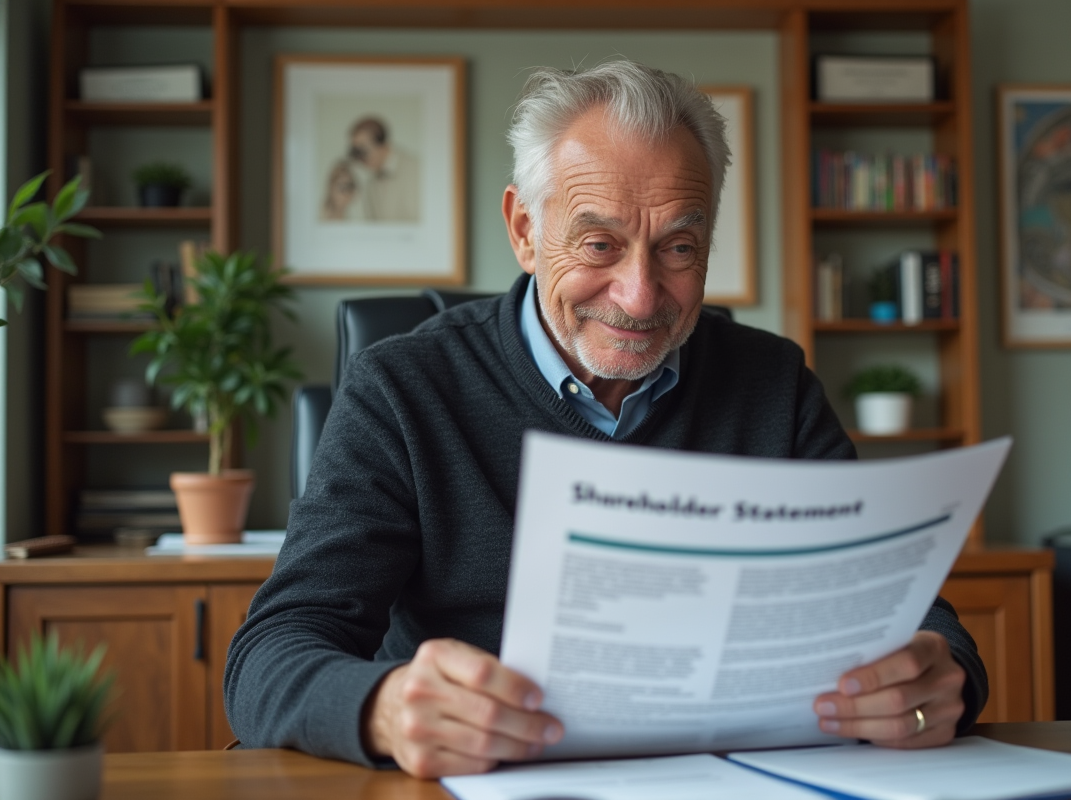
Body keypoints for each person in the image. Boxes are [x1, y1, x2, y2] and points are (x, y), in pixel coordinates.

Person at [225, 61, 986, 779]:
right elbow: (270, 655)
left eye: (678, 248)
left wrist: (939, 674)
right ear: (525, 229)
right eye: (600, 244)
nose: (641, 295)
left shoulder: (774, 383)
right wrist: (384, 712)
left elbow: (912, 618)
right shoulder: (401, 388)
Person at [346, 115, 420, 222]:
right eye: (355, 151)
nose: (359, 158)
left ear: (382, 145)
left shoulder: (417, 170)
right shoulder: (370, 182)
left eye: (362, 149)